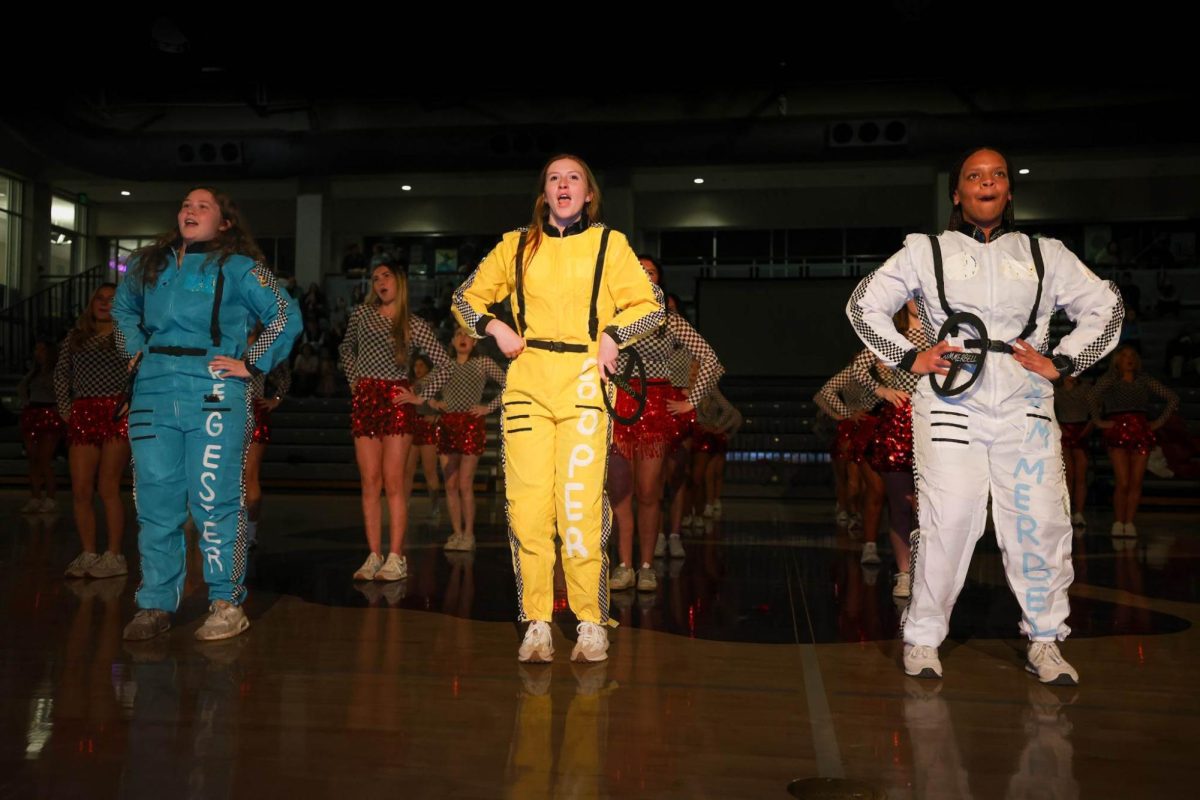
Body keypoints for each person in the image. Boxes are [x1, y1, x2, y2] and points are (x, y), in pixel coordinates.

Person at [846, 147, 1123, 685]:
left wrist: (1062, 362)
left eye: (997, 174)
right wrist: (909, 356)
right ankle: (923, 637)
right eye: (975, 176)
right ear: (957, 192)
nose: (987, 182)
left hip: (1024, 407)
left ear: (1009, 190)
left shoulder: (1045, 254)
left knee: (1039, 522)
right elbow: (864, 303)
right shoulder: (925, 250)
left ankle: (1045, 641)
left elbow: (1106, 306)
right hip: (951, 405)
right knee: (948, 521)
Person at [452, 154, 663, 663]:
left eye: (574, 178)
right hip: (527, 383)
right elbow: (465, 300)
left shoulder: (610, 245)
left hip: (586, 385)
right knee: (527, 510)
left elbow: (650, 306)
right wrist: (493, 327)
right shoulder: (515, 245)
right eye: (554, 178)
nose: (563, 185)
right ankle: (538, 621)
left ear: (588, 194)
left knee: (579, 508)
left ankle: (590, 620)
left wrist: (614, 334)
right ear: (544, 193)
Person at [113, 187, 301, 642]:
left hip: (214, 388)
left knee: (215, 501)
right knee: (156, 503)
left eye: (203, 206)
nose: (189, 211)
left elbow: (285, 316)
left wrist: (252, 363)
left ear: (225, 223)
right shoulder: (148, 264)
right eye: (184, 205)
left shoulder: (239, 267)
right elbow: (122, 310)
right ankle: (154, 604)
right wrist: (135, 351)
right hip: (153, 389)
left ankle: (225, 602)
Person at [610, 258, 723, 592]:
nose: (645, 275)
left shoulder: (668, 320)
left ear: (660, 280)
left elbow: (711, 361)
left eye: (652, 271)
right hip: (618, 408)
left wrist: (691, 400)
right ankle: (623, 564)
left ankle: (646, 566)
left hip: (655, 409)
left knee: (648, 493)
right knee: (619, 494)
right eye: (639, 271)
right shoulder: (612, 316)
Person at [339, 261, 450, 583]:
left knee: (393, 482)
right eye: (375, 278)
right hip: (366, 397)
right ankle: (373, 554)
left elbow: (443, 365)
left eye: (386, 276)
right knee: (370, 481)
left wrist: (419, 394)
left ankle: (396, 556)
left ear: (400, 282)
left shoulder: (413, 324)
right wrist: (353, 380)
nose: (379, 282)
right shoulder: (362, 315)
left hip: (397, 399)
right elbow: (346, 348)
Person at [54, 284, 131, 579]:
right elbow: (61, 373)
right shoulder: (76, 336)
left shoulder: (126, 335)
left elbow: (139, 371)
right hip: (83, 411)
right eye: (100, 298)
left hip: (115, 411)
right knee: (81, 489)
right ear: (91, 302)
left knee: (108, 487)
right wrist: (65, 409)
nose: (104, 303)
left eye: (112, 300)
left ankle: (114, 555)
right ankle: (88, 552)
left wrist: (130, 405)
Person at [429, 327, 506, 551]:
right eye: (458, 334)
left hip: (470, 423)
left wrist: (487, 407)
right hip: (447, 425)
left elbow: (509, 383)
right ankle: (456, 532)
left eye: (467, 335)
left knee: (465, 483)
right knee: (450, 484)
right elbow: (423, 386)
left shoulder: (483, 362)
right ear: (452, 341)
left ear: (474, 342)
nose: (463, 338)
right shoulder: (444, 365)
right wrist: (434, 402)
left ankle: (469, 534)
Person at [1090, 344, 1179, 537]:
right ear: (1117, 360)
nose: (1128, 358)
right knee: (1122, 481)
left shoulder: (1143, 379)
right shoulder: (1111, 379)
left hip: (1141, 429)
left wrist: (1158, 422)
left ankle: (1129, 523)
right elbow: (1090, 396)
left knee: (1136, 481)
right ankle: (1118, 521)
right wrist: (1098, 421)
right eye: (1124, 355)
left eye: (1132, 355)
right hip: (1117, 429)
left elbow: (1172, 397)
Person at [245, 324, 291, 549]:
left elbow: (285, 376)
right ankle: (231, 529)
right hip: (228, 410)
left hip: (254, 410)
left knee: (250, 475)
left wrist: (276, 399)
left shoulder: (267, 343)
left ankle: (250, 532)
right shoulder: (229, 335)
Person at [17, 341, 65, 513]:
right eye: (36, 349)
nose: (38, 352)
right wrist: (25, 401)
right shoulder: (34, 372)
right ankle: (35, 497)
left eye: (41, 349)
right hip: (33, 412)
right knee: (33, 459)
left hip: (49, 413)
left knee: (44, 459)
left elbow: (62, 392)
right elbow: (22, 388)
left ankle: (51, 497)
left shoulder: (56, 371)